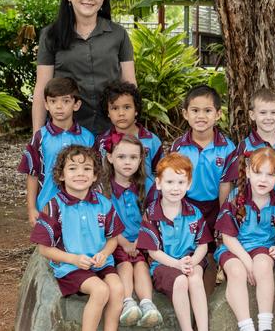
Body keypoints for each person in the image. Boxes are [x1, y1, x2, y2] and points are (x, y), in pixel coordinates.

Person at [30, 145, 124, 331]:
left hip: (100, 262)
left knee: (118, 289)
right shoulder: (54, 206)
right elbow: (44, 249)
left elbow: (113, 238)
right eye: (73, 168)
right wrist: (73, 259)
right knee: (100, 290)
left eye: (87, 169)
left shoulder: (103, 203)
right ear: (62, 175)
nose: (80, 174)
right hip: (70, 265)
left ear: (95, 175)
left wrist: (104, 253)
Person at [32, 0, 136, 135]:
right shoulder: (51, 35)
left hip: (111, 127)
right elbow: (42, 87)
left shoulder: (118, 34)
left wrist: (131, 132)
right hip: (66, 128)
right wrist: (37, 136)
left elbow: (130, 85)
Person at [137, 153, 213, 331]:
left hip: (190, 259)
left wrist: (193, 261)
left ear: (189, 184)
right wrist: (177, 265)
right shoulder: (151, 214)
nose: (175, 188)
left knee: (194, 279)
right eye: (169, 182)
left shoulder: (194, 212)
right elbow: (153, 251)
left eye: (181, 182)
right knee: (181, 282)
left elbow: (203, 244)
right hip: (164, 263)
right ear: (158, 183)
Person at [214, 147, 275, 331]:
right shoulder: (234, 199)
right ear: (247, 172)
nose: (263, 179)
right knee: (237, 272)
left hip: (262, 247)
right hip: (233, 248)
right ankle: (246, 325)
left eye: (270, 175)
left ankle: (265, 325)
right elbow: (228, 238)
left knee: (263, 264)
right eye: (257, 172)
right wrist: (247, 263)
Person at [100, 133, 162, 327]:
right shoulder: (102, 187)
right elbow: (104, 221)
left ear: (141, 159)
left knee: (141, 265)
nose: (128, 162)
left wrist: (140, 240)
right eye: (121, 157)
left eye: (133, 157)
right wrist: (124, 242)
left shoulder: (148, 184)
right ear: (110, 157)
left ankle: (147, 303)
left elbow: (151, 216)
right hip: (114, 240)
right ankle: (128, 301)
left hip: (142, 240)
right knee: (125, 265)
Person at [18, 77, 95, 227]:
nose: (59, 106)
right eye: (53, 101)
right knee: (47, 246)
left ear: (76, 104)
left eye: (65, 101)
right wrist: (31, 208)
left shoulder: (87, 138)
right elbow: (32, 174)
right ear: (46, 104)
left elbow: (95, 175)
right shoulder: (40, 137)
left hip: (81, 207)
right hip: (48, 206)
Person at [170, 85, 238, 231]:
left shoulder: (227, 148)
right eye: (195, 110)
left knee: (214, 248)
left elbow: (225, 185)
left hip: (214, 206)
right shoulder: (178, 147)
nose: (201, 116)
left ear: (218, 114)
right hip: (185, 204)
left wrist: (223, 217)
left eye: (207, 111)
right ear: (185, 114)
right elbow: (172, 182)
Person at [96, 81, 163, 188]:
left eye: (127, 107)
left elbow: (160, 173)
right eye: (115, 108)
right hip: (113, 201)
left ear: (136, 110)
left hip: (145, 199)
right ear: (108, 112)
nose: (121, 113)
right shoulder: (102, 141)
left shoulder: (151, 140)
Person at [237, 88, 275, 193]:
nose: (268, 117)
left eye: (273, 112)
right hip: (255, 206)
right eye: (263, 112)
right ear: (252, 115)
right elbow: (238, 180)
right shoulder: (245, 146)